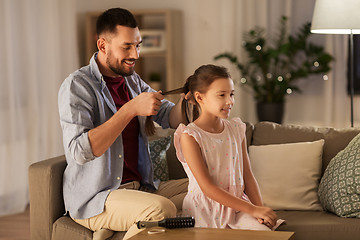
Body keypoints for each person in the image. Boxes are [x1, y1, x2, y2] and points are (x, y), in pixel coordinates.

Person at [58, 8, 188, 240]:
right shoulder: (78, 86)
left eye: (138, 45)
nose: (136, 54)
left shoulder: (132, 81)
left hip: (139, 189)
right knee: (162, 210)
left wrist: (188, 100)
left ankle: (118, 228)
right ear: (102, 45)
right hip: (97, 198)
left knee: (204, 191)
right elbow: (79, 152)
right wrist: (129, 109)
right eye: (126, 46)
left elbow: (170, 117)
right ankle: (119, 223)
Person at [174, 64, 284, 230]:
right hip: (205, 211)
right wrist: (253, 209)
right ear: (200, 98)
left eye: (232, 94)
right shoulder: (190, 136)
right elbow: (208, 188)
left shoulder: (236, 129)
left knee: (265, 233)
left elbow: (248, 176)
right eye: (222, 95)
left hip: (238, 208)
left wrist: (259, 210)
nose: (230, 101)